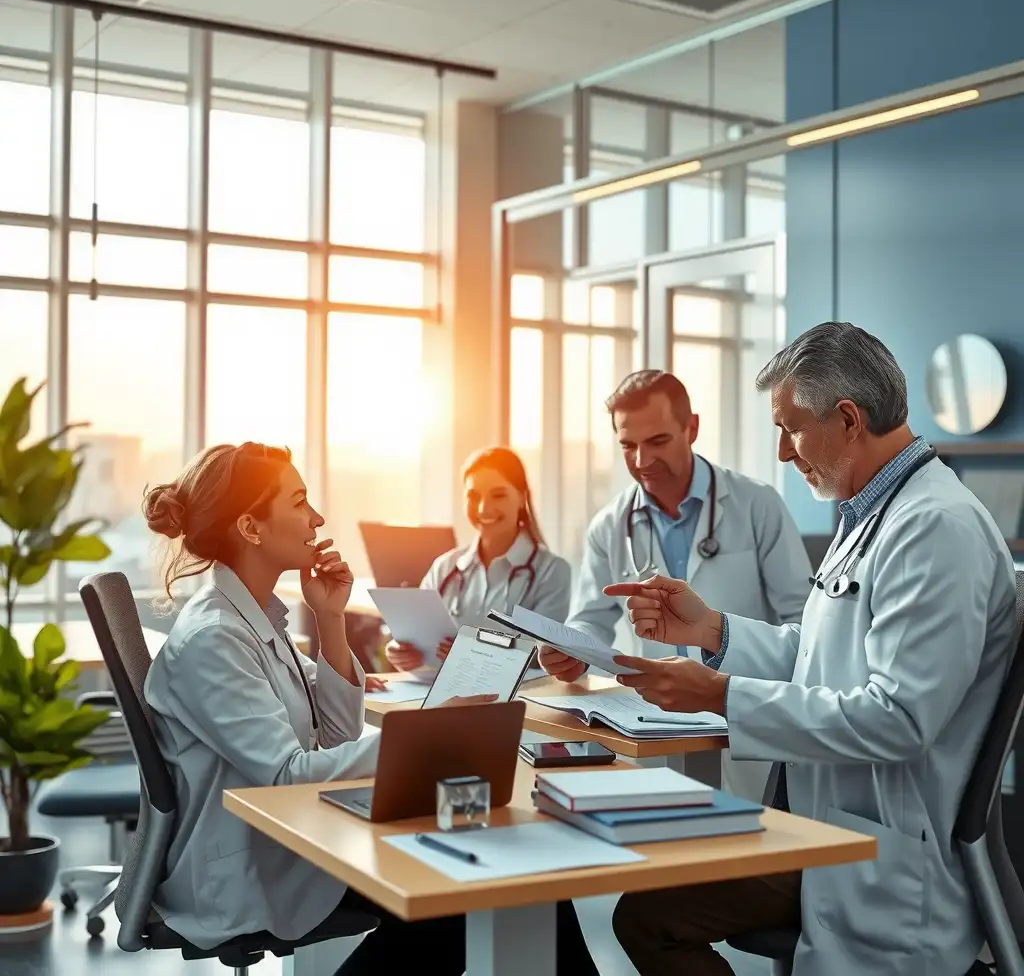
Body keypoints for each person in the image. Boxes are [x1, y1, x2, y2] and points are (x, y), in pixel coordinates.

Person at [605, 323, 1018, 976]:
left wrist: (722, 695)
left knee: (653, 917)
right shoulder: (870, 516)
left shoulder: (935, 528)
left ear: (848, 420)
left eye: (791, 428)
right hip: (828, 829)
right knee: (649, 912)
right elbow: (817, 656)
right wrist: (713, 630)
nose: (781, 452)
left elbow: (900, 717)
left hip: (888, 864)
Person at [142, 441, 597, 976]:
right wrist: (430, 730)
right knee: (473, 890)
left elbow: (336, 735)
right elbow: (289, 774)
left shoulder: (252, 620)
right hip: (252, 868)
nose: (317, 518)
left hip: (288, 839)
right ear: (250, 527)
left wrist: (330, 620)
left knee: (515, 874)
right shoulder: (214, 639)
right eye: (298, 502)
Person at [539, 370, 811, 801]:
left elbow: (805, 621)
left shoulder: (757, 505)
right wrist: (571, 652)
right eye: (628, 446)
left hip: (739, 715)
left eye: (658, 441)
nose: (643, 460)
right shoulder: (610, 525)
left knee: (743, 853)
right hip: (653, 728)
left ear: (693, 428)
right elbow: (591, 621)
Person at [385, 446, 571, 672]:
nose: (484, 508)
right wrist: (401, 650)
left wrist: (473, 650)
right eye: (473, 496)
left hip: (515, 700)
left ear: (522, 498)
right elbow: (414, 632)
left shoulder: (552, 571)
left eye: (498, 495)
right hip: (444, 695)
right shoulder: (445, 567)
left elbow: (542, 655)